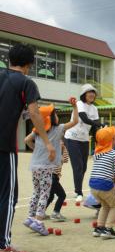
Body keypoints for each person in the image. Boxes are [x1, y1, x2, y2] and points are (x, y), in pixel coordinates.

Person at [0, 43, 55, 252]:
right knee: (7, 195)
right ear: (29, 64)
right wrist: (47, 142)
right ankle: (3, 245)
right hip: (4, 146)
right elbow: (35, 113)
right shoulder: (25, 82)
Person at [23, 98, 78, 236]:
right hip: (46, 167)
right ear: (52, 117)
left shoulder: (37, 130)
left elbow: (26, 140)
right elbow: (75, 122)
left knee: (36, 191)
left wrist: (36, 149)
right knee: (44, 193)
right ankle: (39, 221)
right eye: (55, 113)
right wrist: (75, 107)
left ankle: (30, 218)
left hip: (35, 165)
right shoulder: (58, 129)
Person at [64, 83, 101, 202]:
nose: (91, 94)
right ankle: (78, 192)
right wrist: (101, 125)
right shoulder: (79, 104)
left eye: (93, 93)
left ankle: (78, 189)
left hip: (84, 139)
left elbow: (95, 127)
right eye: (89, 92)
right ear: (84, 95)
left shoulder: (94, 108)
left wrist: (99, 140)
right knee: (78, 166)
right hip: (72, 138)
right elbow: (84, 118)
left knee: (84, 167)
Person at [90, 126, 115, 239]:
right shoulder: (114, 154)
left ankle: (99, 228)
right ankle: (108, 229)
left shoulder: (96, 153)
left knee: (105, 205)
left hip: (93, 185)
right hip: (104, 184)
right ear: (110, 141)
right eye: (113, 138)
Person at [46, 140, 69, 221]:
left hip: (54, 177)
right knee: (62, 195)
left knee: (50, 196)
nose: (61, 143)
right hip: (51, 177)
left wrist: (63, 148)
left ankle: (40, 212)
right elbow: (62, 159)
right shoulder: (52, 152)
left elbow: (66, 160)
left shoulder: (62, 150)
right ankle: (55, 213)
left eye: (62, 141)